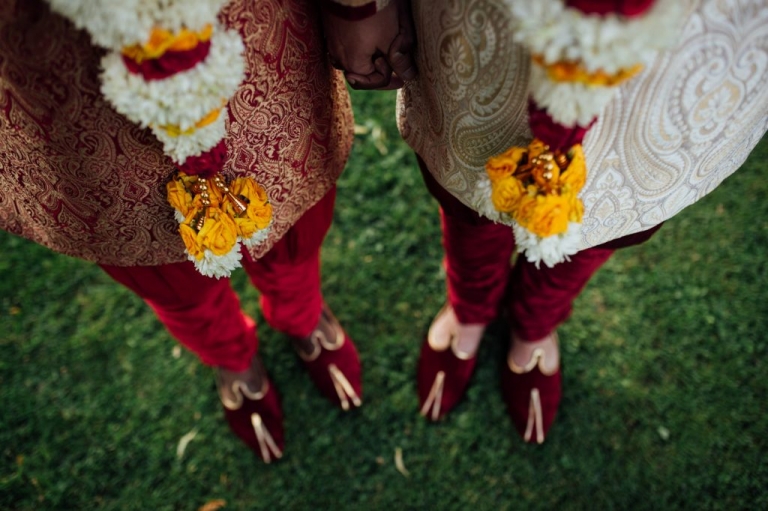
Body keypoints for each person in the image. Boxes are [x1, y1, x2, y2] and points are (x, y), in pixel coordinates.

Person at [324, 0, 768, 443]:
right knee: (470, 191)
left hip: (688, 49)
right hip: (498, 26)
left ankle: (535, 324)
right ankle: (469, 308)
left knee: (612, 211)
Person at [0, 0, 392, 463]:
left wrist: (357, 8)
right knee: (151, 255)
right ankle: (230, 354)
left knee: (291, 203)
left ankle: (301, 316)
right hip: (62, 78)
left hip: (251, 38)